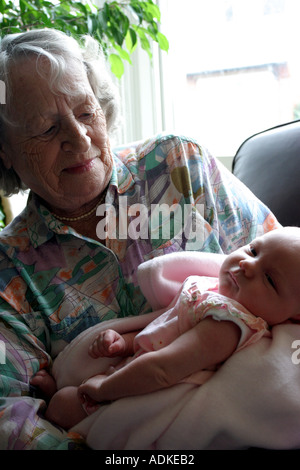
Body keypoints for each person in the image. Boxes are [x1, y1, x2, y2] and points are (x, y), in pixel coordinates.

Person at [0, 27, 279, 449]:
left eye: (86, 112)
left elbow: (290, 271)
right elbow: (11, 417)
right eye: (45, 128)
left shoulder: (177, 166)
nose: (79, 139)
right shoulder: (9, 271)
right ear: (5, 152)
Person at [32, 226, 300, 430]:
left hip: (143, 392)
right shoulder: (217, 294)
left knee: (64, 405)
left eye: (269, 279)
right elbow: (166, 328)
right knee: (81, 378)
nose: (247, 264)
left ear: (295, 316)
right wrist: (123, 342)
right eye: (253, 250)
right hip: (134, 367)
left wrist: (105, 390)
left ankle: (59, 410)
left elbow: (163, 369)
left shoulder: (229, 325)